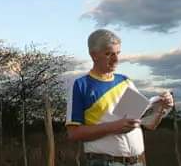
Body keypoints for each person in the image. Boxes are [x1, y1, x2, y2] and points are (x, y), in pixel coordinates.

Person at [66, 29, 174, 166]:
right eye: (109, 54)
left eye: (117, 53)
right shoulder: (81, 85)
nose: (116, 59)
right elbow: (73, 133)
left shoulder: (125, 81)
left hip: (138, 162)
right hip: (104, 162)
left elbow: (149, 124)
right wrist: (112, 127)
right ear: (93, 55)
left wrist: (162, 108)